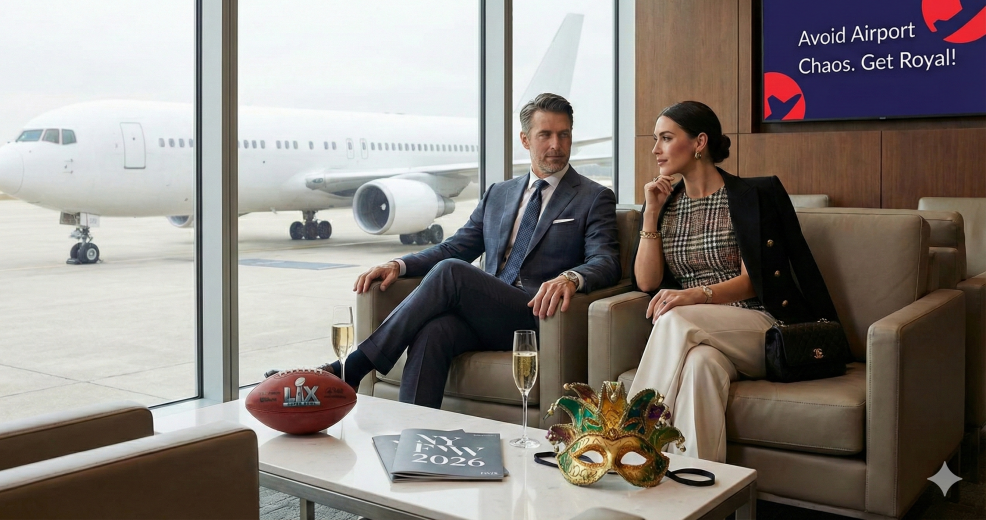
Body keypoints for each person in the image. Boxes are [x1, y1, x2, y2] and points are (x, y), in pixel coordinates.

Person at [322, 93, 621, 408]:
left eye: (564, 135)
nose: (556, 145)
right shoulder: (500, 194)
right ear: (525, 139)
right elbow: (457, 246)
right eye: (545, 135)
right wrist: (401, 265)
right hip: (487, 313)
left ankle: (353, 368)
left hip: (538, 314)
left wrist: (572, 277)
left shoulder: (593, 196)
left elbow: (606, 260)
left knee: (452, 271)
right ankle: (414, 435)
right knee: (434, 332)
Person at [629, 101, 838, 462]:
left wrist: (694, 296)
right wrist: (650, 213)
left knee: (675, 318)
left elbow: (753, 282)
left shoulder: (750, 197)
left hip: (759, 325)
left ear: (699, 142)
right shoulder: (668, 205)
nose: (655, 149)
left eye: (666, 138)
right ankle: (700, 492)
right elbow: (647, 282)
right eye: (655, 139)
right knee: (700, 368)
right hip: (703, 335)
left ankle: (632, 439)